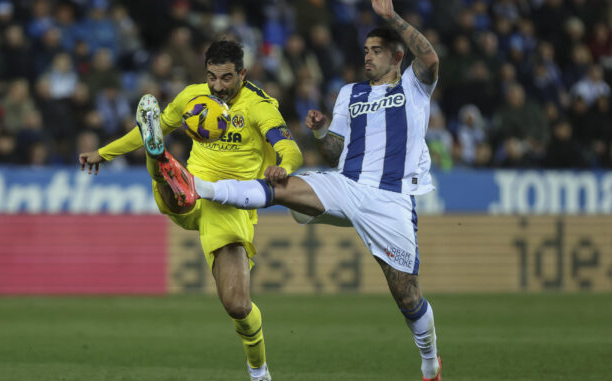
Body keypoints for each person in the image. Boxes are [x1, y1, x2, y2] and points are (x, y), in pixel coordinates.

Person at [157, 1, 443, 379]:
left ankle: (429, 361)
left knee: (407, 296)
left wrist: (391, 17)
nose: (368, 57)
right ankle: (199, 187)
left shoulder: (414, 85)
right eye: (365, 51)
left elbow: (431, 59)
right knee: (280, 185)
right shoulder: (350, 93)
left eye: (376, 51)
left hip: (390, 198)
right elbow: (336, 152)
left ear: (397, 56)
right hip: (347, 184)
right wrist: (323, 131)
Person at [79, 40, 303, 381]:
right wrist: (104, 152)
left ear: (242, 73)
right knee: (167, 169)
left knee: (238, 306)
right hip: (191, 188)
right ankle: (162, 162)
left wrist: (284, 166)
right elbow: (145, 129)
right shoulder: (192, 97)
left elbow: (291, 148)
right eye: (212, 77)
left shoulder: (260, 107)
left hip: (229, 206)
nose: (218, 86)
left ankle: (258, 370)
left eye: (227, 78)